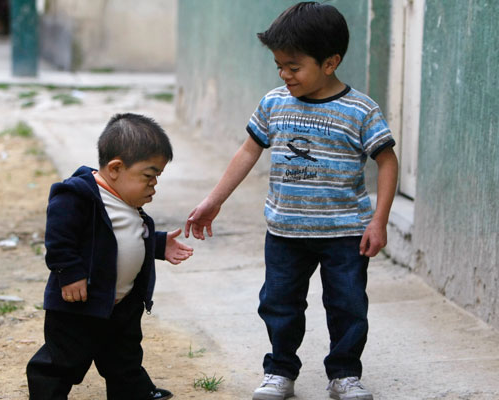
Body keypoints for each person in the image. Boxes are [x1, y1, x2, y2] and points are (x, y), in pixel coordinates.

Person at [185, 2, 398, 400]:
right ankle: (280, 370)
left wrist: (379, 221)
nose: (284, 74)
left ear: (330, 62)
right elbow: (248, 151)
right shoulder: (274, 103)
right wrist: (215, 200)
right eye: (279, 65)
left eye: (294, 66)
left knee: (348, 306)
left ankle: (345, 374)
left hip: (345, 233)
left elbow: (387, 161)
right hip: (285, 230)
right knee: (279, 304)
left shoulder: (360, 110)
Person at [27, 113, 194, 400]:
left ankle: (134, 393)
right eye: (148, 176)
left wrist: (156, 245)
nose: (154, 185)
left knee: (124, 357)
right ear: (116, 167)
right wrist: (70, 274)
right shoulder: (78, 195)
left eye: (157, 178)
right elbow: (59, 238)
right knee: (62, 360)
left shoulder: (124, 198)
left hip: (120, 303)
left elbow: (121, 237)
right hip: (78, 304)